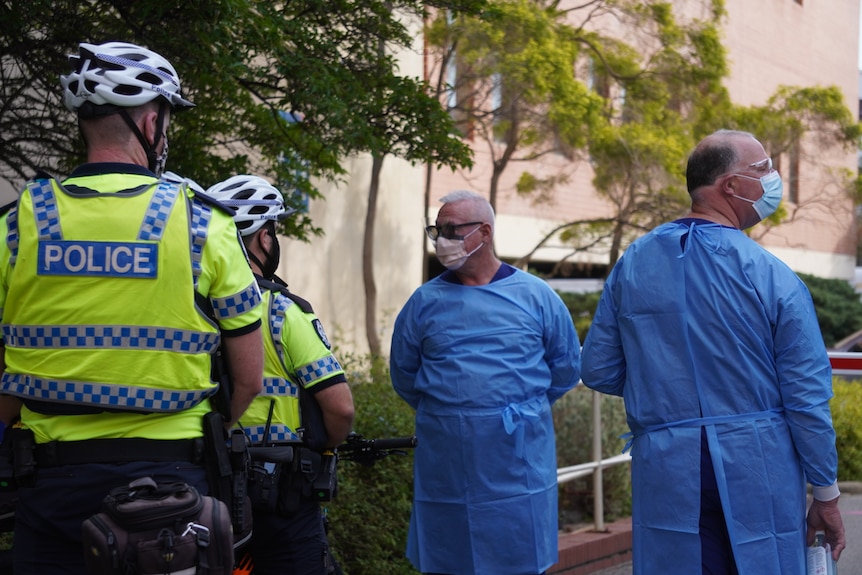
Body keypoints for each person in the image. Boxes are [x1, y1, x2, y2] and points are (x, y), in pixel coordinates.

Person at [0, 41, 264, 575]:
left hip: (50, 484)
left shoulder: (15, 226)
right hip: (172, 490)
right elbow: (249, 381)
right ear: (150, 119)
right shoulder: (204, 225)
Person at [580, 129, 846, 575]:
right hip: (757, 464)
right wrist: (825, 494)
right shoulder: (771, 276)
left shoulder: (633, 263)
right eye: (764, 169)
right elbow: (806, 399)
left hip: (667, 464)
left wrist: (666, 389)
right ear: (731, 186)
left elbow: (598, 368)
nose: (773, 179)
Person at [389, 189, 581, 575]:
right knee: (449, 557)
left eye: (452, 229)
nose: (443, 239)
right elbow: (404, 374)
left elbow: (565, 367)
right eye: (437, 230)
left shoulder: (536, 296)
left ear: (485, 233)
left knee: (518, 554)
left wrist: (519, 407)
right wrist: (456, 412)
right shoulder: (425, 302)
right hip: (447, 457)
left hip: (518, 455)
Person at [207, 175, 355, 575]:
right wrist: (329, 447)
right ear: (263, 237)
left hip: (201, 485)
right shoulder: (281, 311)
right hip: (278, 494)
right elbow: (339, 408)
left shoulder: (192, 307)